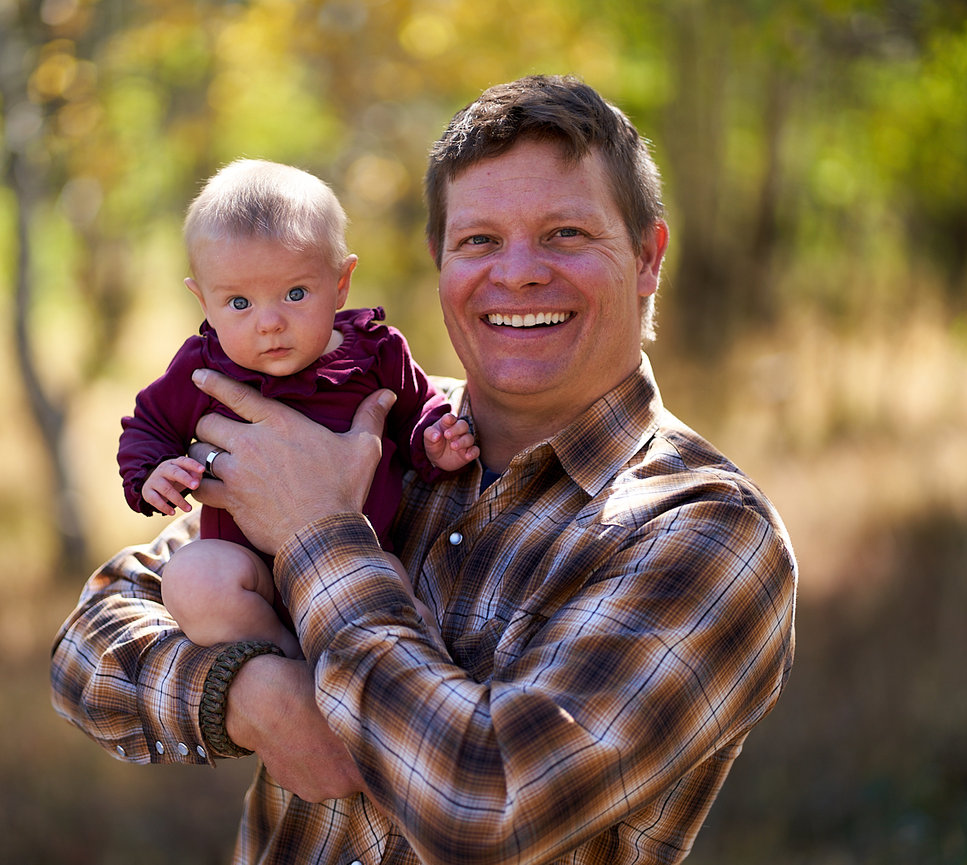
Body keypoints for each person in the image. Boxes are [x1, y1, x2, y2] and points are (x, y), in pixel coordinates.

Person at [53, 74, 797, 865]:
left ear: (646, 258)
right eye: (479, 240)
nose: (518, 273)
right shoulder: (367, 426)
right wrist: (253, 694)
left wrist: (317, 532)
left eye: (565, 234)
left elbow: (485, 808)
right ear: (439, 260)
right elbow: (88, 647)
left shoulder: (706, 531)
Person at [118, 158, 474, 657]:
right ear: (204, 302)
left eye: (295, 293)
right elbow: (150, 424)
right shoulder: (203, 368)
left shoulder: (377, 354)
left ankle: (382, 676)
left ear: (341, 283)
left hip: (354, 559)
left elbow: (419, 410)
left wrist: (436, 442)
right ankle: (285, 660)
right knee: (191, 578)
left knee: (397, 590)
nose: (270, 322)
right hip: (245, 567)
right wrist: (152, 474)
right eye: (239, 303)